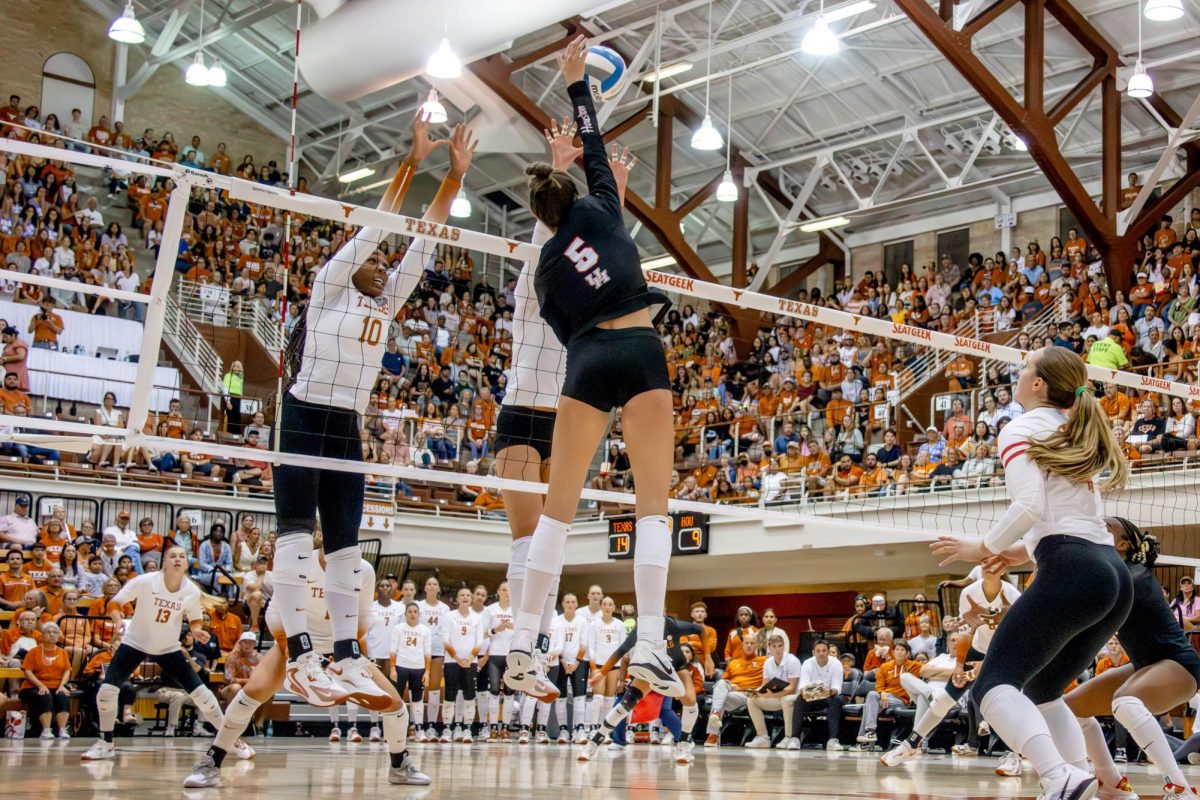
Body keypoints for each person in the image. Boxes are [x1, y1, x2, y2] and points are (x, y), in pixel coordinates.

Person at [270, 113, 476, 708]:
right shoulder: (328, 284)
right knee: (294, 536)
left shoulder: (384, 303)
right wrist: (412, 161)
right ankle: (303, 656)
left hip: (345, 426)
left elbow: (425, 237)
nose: (384, 266)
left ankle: (346, 657)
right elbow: (378, 230)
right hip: (303, 412)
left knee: (344, 547)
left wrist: (455, 177)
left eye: (387, 266)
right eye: (375, 262)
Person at [507, 35, 680, 700]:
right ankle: (652, 649)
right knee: (653, 509)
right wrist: (578, 83)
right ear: (575, 188)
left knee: (557, 514)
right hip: (639, 350)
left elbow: (561, 329)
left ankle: (523, 647)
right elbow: (596, 140)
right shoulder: (603, 206)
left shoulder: (545, 269)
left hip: (584, 362)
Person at [933, 346, 1132, 800]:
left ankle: (1060, 778)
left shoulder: (1021, 427)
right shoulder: (1076, 426)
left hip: (1074, 568)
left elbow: (1030, 506)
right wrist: (1025, 551)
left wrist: (984, 546)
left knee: (991, 686)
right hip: (1111, 576)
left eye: (1026, 368)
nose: (1020, 374)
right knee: (1042, 686)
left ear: (1039, 384)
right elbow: (1072, 516)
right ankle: (1088, 783)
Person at [183, 547, 429, 788]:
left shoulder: (363, 570)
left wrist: (343, 655)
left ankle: (399, 766)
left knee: (395, 705)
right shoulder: (298, 562)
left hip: (340, 649)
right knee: (250, 695)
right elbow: (275, 613)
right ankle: (212, 762)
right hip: (295, 644)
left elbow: (364, 617)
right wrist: (294, 651)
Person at [498, 118, 575, 707]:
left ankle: (535, 649)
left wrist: (613, 190)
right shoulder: (533, 288)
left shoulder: (579, 301)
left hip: (565, 416)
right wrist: (561, 163)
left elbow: (596, 239)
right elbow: (549, 227)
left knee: (551, 543)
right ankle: (521, 652)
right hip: (523, 412)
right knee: (528, 540)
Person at [1064, 519, 1200, 800]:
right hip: (1145, 666)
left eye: (1107, 527)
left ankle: (1180, 790)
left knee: (1124, 702)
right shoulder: (1113, 575)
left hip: (1180, 665)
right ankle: (1113, 784)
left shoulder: (1132, 575)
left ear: (1123, 545)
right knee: (1071, 707)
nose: (1097, 526)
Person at [81, 544, 251, 762]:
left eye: (182, 556)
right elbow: (116, 602)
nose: (178, 559)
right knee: (106, 691)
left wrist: (197, 631)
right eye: (173, 556)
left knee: (204, 696)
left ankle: (232, 740)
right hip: (135, 643)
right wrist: (116, 619)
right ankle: (105, 743)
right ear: (164, 562)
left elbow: (195, 618)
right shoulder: (145, 581)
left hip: (168, 648)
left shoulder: (190, 590)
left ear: (186, 563)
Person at [883, 565, 1020, 768]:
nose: (987, 567)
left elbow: (1017, 637)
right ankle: (911, 744)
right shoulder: (968, 593)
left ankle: (1013, 756)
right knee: (945, 698)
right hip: (977, 649)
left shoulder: (1013, 595)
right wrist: (958, 666)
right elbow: (964, 634)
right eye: (984, 562)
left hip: (1006, 653)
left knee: (1008, 703)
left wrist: (987, 664)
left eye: (994, 563)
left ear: (1003, 569)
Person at [582, 614, 706, 764]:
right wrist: (601, 673)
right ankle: (594, 743)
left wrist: (709, 657)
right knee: (624, 705)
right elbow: (621, 651)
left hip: (676, 668)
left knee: (690, 702)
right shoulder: (641, 629)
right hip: (651, 671)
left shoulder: (671, 624)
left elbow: (700, 629)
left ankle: (684, 744)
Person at [745, 634, 803, 749]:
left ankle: (788, 737)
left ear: (784, 646)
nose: (777, 649)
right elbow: (764, 685)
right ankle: (762, 737)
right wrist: (755, 691)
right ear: (769, 648)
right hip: (776, 696)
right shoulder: (768, 662)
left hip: (793, 697)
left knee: (786, 700)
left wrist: (774, 694)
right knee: (751, 700)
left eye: (780, 646)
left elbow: (792, 688)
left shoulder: (792, 661)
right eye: (774, 646)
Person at [19, 621, 73, 740]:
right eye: (48, 632)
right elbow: (27, 671)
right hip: (32, 686)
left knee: (62, 695)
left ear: (58, 636)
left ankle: (62, 730)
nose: (52, 635)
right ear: (42, 636)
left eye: (55, 633)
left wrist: (62, 685)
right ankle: (46, 730)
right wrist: (40, 685)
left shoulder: (62, 652)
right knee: (45, 695)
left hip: (57, 685)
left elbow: (67, 671)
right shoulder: (34, 652)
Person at [789, 638, 845, 751]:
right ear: (813, 652)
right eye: (818, 650)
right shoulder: (807, 663)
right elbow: (802, 687)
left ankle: (833, 740)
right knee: (799, 699)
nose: (821, 653)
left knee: (837, 700)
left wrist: (821, 691)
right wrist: (815, 691)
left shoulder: (836, 664)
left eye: (824, 650)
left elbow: (836, 688)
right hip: (811, 697)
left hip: (829, 697)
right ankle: (795, 738)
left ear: (828, 651)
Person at [389, 601, 432, 743]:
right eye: (410, 612)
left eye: (415, 612)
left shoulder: (425, 630)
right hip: (401, 666)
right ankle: (394, 731)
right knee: (397, 698)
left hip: (418, 668)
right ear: (405, 614)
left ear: (418, 614)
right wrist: (393, 668)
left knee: (417, 699)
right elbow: (393, 650)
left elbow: (427, 653)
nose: (412, 614)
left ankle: (419, 729)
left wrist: (427, 672)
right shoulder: (398, 629)